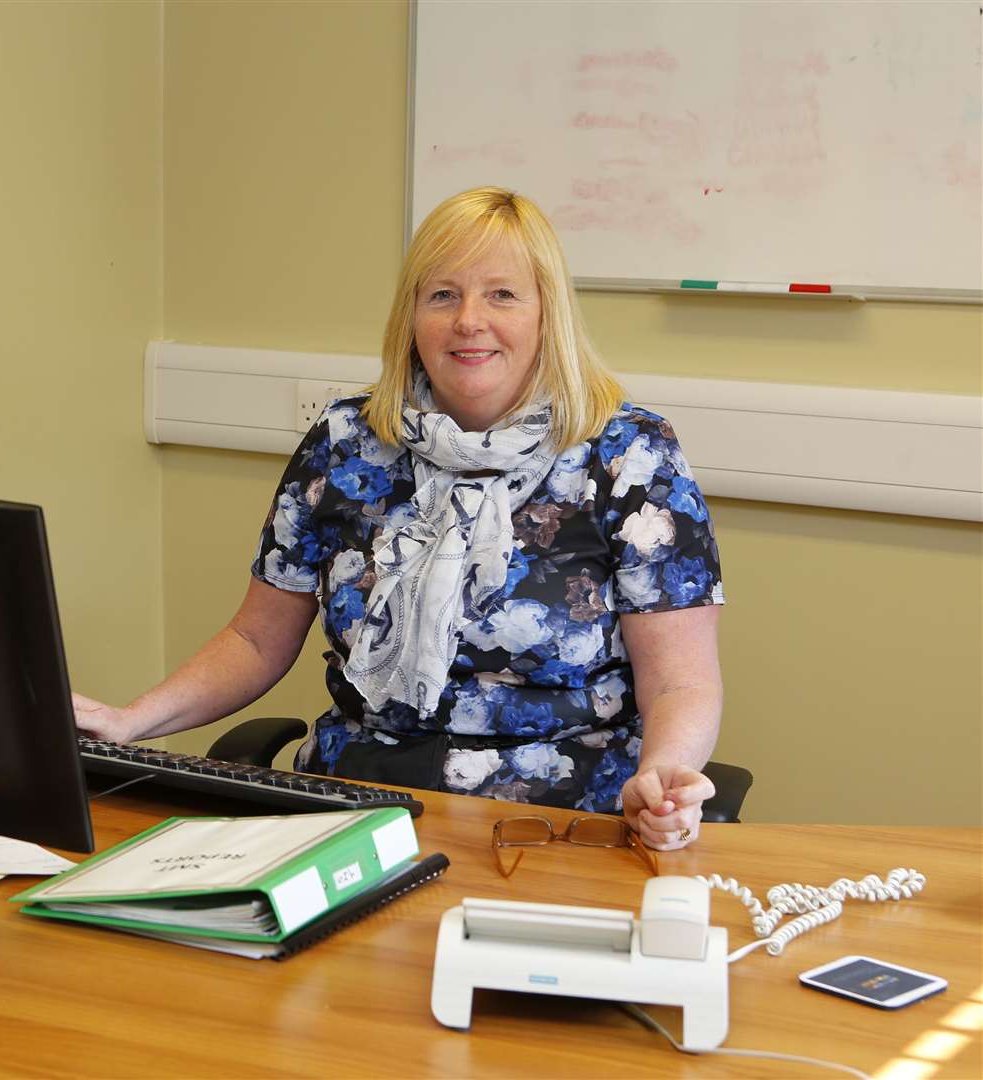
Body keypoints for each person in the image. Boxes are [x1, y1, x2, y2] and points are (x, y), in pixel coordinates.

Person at [73, 186, 724, 851]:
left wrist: (663, 779)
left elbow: (682, 681)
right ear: (411, 315)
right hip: (356, 807)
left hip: (563, 821)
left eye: (502, 294)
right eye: (443, 295)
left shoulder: (629, 454)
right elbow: (256, 640)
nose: (469, 320)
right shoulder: (348, 441)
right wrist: (131, 721)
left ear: (547, 314)